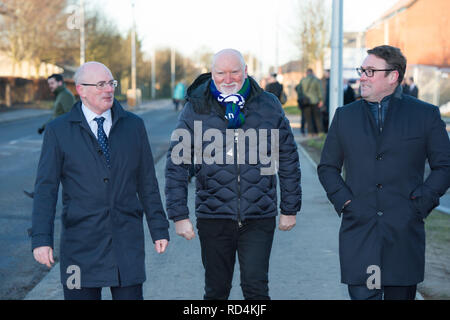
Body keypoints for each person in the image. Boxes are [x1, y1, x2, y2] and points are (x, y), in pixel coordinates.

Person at [165, 49, 301, 300]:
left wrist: (289, 209)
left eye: (234, 72)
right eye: (221, 73)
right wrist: (179, 215)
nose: (228, 79)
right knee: (216, 291)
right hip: (213, 215)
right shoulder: (197, 107)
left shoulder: (269, 105)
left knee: (256, 289)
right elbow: (177, 163)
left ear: (245, 71)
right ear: (212, 74)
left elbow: (288, 158)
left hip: (259, 215)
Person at [318, 45, 450, 300]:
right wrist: (346, 202)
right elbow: (327, 167)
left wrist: (420, 205)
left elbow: (445, 166)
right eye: (362, 70)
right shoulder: (345, 116)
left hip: (403, 233)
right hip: (359, 230)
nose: (362, 77)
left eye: (370, 71)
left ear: (393, 76)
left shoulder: (425, 115)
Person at [30, 61, 170, 300]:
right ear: (81, 90)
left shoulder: (134, 126)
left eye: (111, 83)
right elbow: (46, 189)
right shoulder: (58, 131)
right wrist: (41, 239)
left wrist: (159, 228)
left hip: (127, 243)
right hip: (80, 247)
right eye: (100, 84)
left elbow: (147, 181)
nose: (108, 90)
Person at [24, 74, 76, 199]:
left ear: (59, 82)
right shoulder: (61, 95)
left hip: (62, 139)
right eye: (49, 84)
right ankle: (41, 192)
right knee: (50, 168)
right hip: (57, 137)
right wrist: (44, 126)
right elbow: (56, 116)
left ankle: (42, 193)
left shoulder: (66, 96)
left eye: (52, 83)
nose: (50, 86)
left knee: (51, 167)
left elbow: (70, 116)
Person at [296, 68, 324, 136]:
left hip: (306, 102)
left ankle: (310, 133)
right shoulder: (316, 80)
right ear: (312, 73)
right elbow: (320, 90)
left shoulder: (302, 80)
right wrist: (321, 100)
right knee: (317, 118)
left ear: (307, 73)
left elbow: (299, 90)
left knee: (308, 118)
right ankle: (319, 132)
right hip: (315, 101)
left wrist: (301, 98)